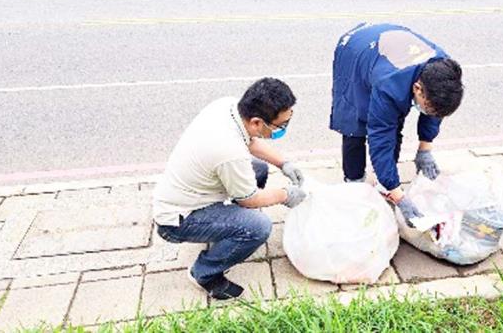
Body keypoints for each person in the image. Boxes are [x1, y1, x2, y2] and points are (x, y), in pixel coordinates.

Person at [153, 78, 306, 300]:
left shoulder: (227, 107)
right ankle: (204, 273)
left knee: (258, 170)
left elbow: (250, 142)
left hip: (184, 194)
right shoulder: (229, 152)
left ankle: (226, 228)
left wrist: (284, 163)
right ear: (256, 122)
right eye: (280, 125)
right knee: (258, 227)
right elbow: (249, 200)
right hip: (177, 221)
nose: (282, 129)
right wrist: (285, 195)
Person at [330, 23, 464, 225]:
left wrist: (425, 149)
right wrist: (400, 198)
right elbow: (380, 138)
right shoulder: (389, 85)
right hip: (355, 50)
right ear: (418, 88)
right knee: (354, 122)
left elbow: (435, 111)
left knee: (395, 122)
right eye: (428, 107)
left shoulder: (443, 70)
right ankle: (354, 183)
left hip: (391, 46)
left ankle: (386, 186)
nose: (431, 113)